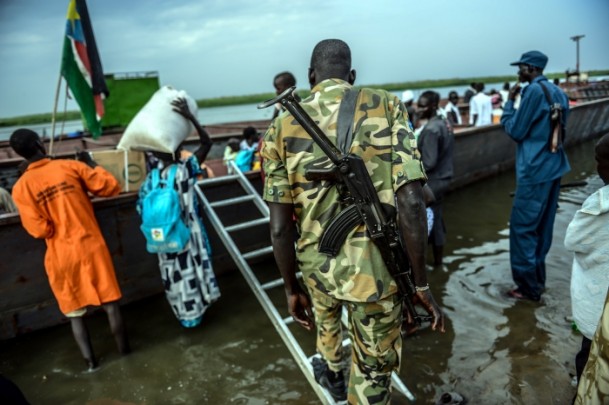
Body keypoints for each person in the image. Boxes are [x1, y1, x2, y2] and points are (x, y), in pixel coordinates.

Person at [261, 38, 444, 404]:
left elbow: (280, 226)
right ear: (353, 75)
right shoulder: (387, 105)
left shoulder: (280, 125)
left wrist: (289, 287)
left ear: (311, 76)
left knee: (325, 321)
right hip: (376, 272)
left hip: (316, 265)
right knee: (375, 369)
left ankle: (331, 370)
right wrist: (419, 283)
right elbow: (411, 202)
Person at [9, 128, 130, 371]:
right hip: (92, 246)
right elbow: (110, 187)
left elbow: (39, 230)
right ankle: (127, 356)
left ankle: (91, 366)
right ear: (39, 144)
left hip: (62, 255)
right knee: (111, 306)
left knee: (75, 315)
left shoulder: (21, 188)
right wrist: (91, 163)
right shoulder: (71, 167)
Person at [138, 97, 220, 328]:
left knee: (174, 277)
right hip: (188, 234)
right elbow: (207, 143)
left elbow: (140, 209)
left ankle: (185, 317)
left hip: (161, 239)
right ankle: (199, 315)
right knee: (192, 273)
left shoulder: (150, 181)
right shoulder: (185, 170)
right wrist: (190, 117)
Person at [500, 50, 570, 301]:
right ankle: (537, 281)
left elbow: (517, 131)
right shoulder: (558, 92)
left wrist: (509, 105)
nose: (518, 72)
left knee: (522, 229)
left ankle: (527, 288)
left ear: (530, 68)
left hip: (534, 170)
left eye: (520, 68)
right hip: (555, 167)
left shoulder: (531, 91)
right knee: (543, 227)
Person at [565, 133, 609, 397]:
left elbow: (573, 239)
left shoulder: (601, 202)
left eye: (600, 161)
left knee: (590, 359)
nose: (597, 167)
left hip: (600, 315)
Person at [416, 91, 454, 267]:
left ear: (432, 106)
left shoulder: (431, 129)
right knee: (437, 219)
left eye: (423, 106)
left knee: (427, 222)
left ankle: (430, 264)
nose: (418, 109)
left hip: (434, 181)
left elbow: (429, 162)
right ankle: (438, 262)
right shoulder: (444, 122)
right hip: (444, 177)